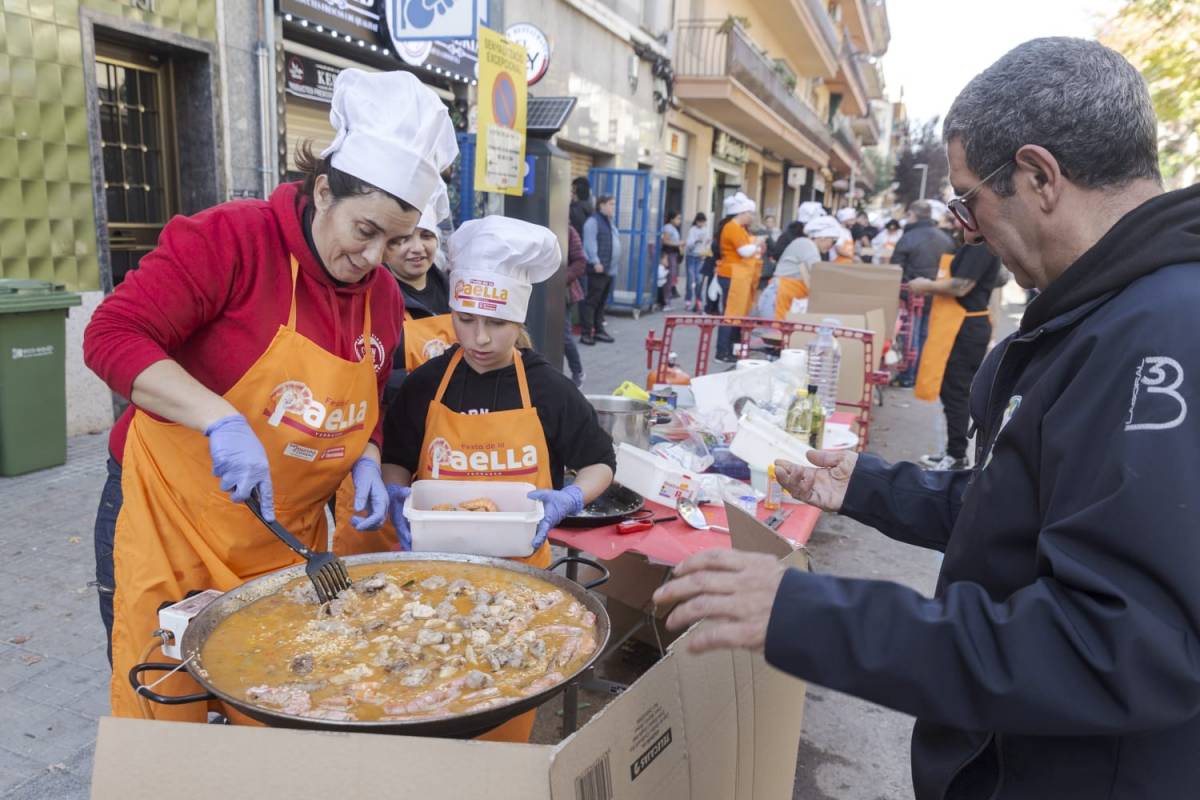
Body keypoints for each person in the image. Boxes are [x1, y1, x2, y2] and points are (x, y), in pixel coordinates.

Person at [652, 37, 1200, 799]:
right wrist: (866, 487)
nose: (967, 229)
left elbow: (1118, 644)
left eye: (968, 199)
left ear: (1040, 176)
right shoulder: (1107, 312)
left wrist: (813, 613)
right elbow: (1022, 509)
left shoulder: (1164, 335)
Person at [83, 68, 457, 719]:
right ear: (322, 192)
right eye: (364, 230)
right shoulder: (232, 241)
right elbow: (111, 335)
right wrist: (217, 419)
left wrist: (367, 458)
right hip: (169, 526)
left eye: (394, 241)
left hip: (287, 547)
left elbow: (364, 402)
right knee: (166, 714)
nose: (373, 257)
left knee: (280, 709)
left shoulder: (385, 298)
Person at [381, 215, 616, 742]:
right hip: (430, 579)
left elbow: (602, 461)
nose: (480, 339)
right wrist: (396, 491)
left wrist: (571, 496)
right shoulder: (425, 385)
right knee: (426, 699)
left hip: (521, 583)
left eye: (496, 324)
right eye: (465, 321)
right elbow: (395, 454)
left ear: (517, 322)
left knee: (504, 708)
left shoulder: (549, 389)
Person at [908, 231, 1000, 470]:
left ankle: (957, 455)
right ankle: (952, 451)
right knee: (951, 392)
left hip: (965, 328)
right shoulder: (978, 246)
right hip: (962, 326)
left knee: (955, 394)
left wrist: (925, 285)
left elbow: (962, 286)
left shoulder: (981, 247)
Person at [892, 200, 956, 386]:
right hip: (937, 293)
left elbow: (896, 268)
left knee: (910, 334)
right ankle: (921, 375)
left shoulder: (908, 237)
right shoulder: (945, 239)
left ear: (913, 215)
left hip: (912, 293)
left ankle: (908, 376)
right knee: (925, 335)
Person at [714, 192, 764, 362]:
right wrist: (757, 242)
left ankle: (734, 349)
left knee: (738, 315)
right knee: (730, 315)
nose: (751, 217)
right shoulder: (732, 228)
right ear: (741, 213)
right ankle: (722, 352)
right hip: (732, 276)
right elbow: (745, 251)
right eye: (750, 213)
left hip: (739, 276)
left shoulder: (739, 228)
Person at [580, 195, 621, 345]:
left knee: (601, 302)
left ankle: (598, 330)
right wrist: (595, 261)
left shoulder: (608, 222)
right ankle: (586, 333)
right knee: (592, 302)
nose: (613, 207)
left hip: (608, 270)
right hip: (598, 269)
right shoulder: (593, 221)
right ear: (601, 205)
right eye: (611, 204)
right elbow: (589, 244)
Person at [563, 224, 587, 387]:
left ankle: (577, 372)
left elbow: (580, 260)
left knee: (564, 336)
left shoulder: (569, 231)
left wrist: (562, 278)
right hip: (533, 292)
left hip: (562, 293)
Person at [683, 212, 709, 312]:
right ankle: (688, 300)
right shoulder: (692, 230)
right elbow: (688, 244)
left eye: (703, 222)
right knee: (690, 280)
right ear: (696, 221)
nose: (701, 224)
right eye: (700, 222)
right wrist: (696, 241)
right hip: (691, 256)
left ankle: (699, 301)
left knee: (699, 280)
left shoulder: (706, 230)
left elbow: (707, 244)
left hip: (700, 257)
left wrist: (705, 253)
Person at [660, 209, 684, 303]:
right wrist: (678, 243)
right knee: (669, 277)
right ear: (671, 219)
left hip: (674, 254)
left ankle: (667, 298)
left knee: (672, 277)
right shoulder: (668, 228)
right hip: (669, 254)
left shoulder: (673, 228)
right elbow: (665, 241)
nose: (679, 221)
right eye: (678, 218)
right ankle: (666, 299)